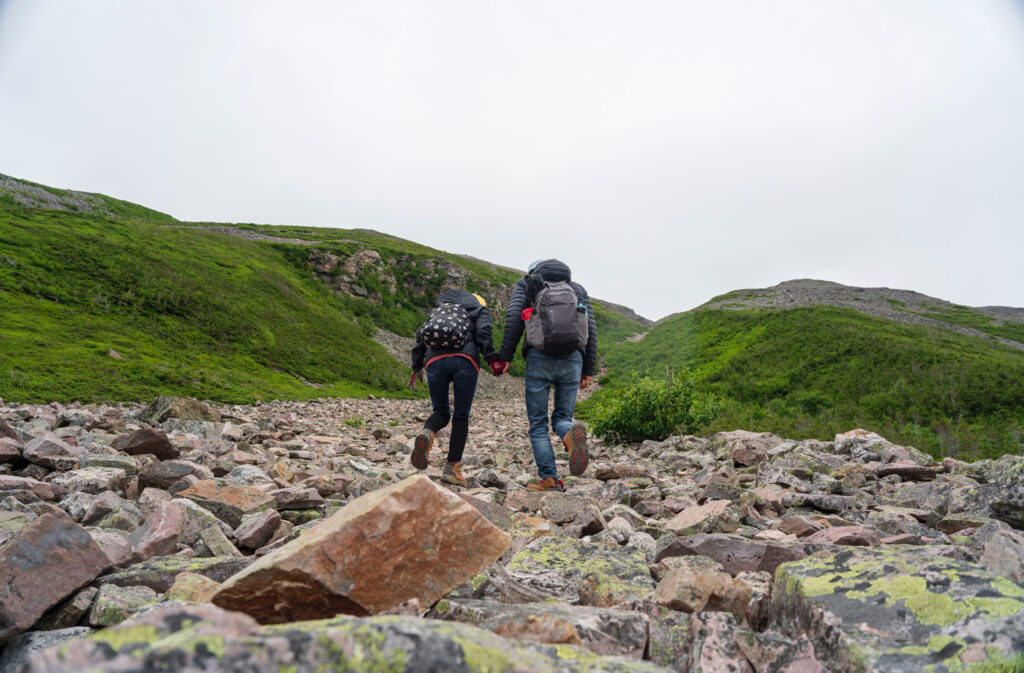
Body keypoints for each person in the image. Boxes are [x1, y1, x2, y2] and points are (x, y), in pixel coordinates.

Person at [496, 259, 597, 492]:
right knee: (562, 417)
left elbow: (514, 319)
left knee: (538, 424)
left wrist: (506, 356)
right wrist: (588, 368)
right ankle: (570, 433)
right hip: (573, 358)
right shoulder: (577, 289)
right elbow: (591, 328)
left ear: (533, 271)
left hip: (539, 357)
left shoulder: (527, 284)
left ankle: (549, 479)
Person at [410, 289, 502, 486]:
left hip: (434, 361)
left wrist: (417, 366)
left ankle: (427, 433)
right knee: (461, 416)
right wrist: (492, 359)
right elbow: (484, 334)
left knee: (441, 412)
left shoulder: (440, 309)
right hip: (465, 361)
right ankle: (452, 468)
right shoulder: (479, 309)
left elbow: (421, 337)